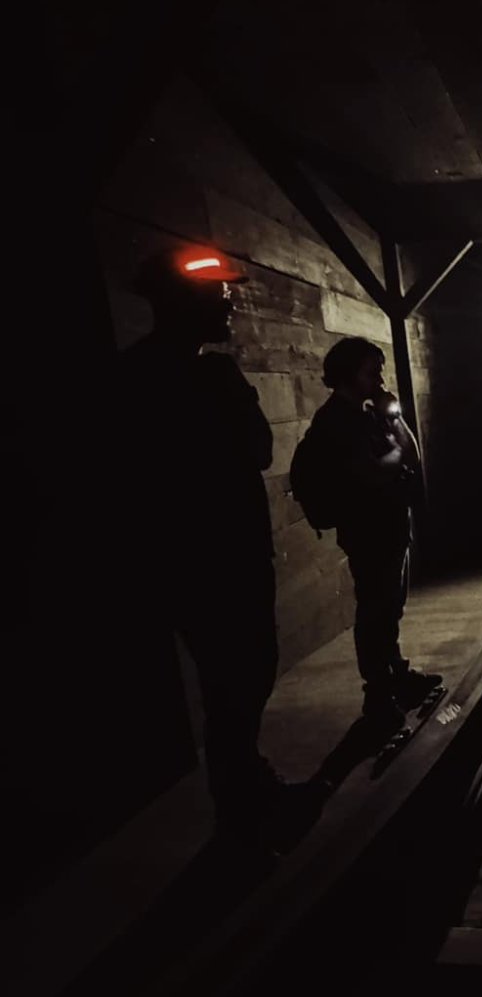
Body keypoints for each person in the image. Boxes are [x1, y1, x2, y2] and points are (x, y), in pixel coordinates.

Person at [118, 243, 291, 839]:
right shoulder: (206, 375)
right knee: (240, 679)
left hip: (186, 563)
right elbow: (257, 449)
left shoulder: (130, 374)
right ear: (182, 304)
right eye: (217, 299)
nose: (229, 308)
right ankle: (242, 813)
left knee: (231, 683)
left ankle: (246, 789)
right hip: (221, 559)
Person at [297, 337, 441, 737]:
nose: (379, 379)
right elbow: (377, 471)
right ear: (348, 375)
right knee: (375, 610)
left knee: (390, 605)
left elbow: (410, 453)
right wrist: (392, 457)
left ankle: (396, 675)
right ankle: (377, 697)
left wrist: (393, 418)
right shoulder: (336, 421)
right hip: (367, 530)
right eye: (371, 371)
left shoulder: (367, 414)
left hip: (390, 523)